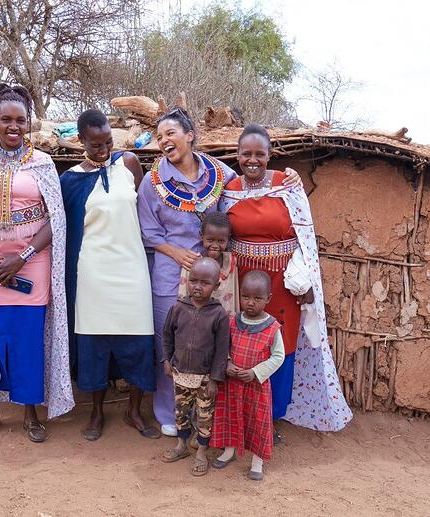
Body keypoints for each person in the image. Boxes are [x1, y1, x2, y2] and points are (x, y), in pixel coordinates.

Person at [137, 107, 302, 437]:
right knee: (171, 342)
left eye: (171, 133)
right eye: (159, 137)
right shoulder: (152, 182)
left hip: (216, 277)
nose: (165, 141)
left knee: (212, 342)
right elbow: (148, 233)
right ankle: (171, 411)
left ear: (190, 136)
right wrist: (176, 252)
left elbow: (250, 187)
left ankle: (208, 414)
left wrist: (289, 179)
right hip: (172, 274)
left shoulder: (219, 173)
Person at [0, 83, 74, 443]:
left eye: (20, 120)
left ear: (29, 123)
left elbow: (56, 218)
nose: (13, 126)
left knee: (28, 338)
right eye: (6, 119)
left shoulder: (42, 163)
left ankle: (30, 412)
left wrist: (20, 258)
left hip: (32, 265)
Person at [219, 123, 352, 435]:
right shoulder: (230, 190)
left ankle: (271, 416)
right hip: (242, 282)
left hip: (282, 283)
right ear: (236, 155)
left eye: (259, 154)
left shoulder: (287, 185)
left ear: (270, 155)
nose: (252, 160)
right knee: (243, 344)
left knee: (280, 343)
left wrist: (307, 286)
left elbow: (305, 236)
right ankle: (242, 413)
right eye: (245, 154)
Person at [60, 109, 159, 441]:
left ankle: (134, 411)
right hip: (93, 272)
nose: (103, 149)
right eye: (95, 144)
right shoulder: (70, 180)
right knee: (95, 342)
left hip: (132, 268)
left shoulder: (129, 164)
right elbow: (66, 232)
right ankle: (97, 412)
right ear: (82, 141)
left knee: (139, 338)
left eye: (107, 142)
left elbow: (146, 211)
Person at [211, 271, 285, 481]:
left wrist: (255, 372)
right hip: (232, 384)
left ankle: (257, 461)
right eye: (246, 297)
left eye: (257, 298)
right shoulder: (233, 321)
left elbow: (278, 356)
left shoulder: (272, 328)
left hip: (256, 387)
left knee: (257, 422)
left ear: (268, 299)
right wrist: (226, 362)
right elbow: (222, 345)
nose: (250, 303)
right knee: (230, 415)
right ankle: (229, 450)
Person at [160, 258, 230, 476]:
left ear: (216, 286)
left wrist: (215, 380)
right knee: (180, 412)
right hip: (180, 374)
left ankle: (201, 451)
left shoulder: (219, 314)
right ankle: (181, 445)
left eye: (205, 283)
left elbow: (222, 350)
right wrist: (167, 359)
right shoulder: (178, 307)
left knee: (204, 416)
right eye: (193, 281)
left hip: (205, 379)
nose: (197, 287)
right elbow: (167, 336)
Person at [177, 211, 238, 316]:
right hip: (197, 321)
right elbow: (183, 297)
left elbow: (235, 297)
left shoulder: (231, 263)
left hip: (224, 323)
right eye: (210, 240)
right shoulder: (193, 263)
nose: (215, 245)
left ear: (228, 239)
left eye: (221, 241)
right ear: (202, 236)